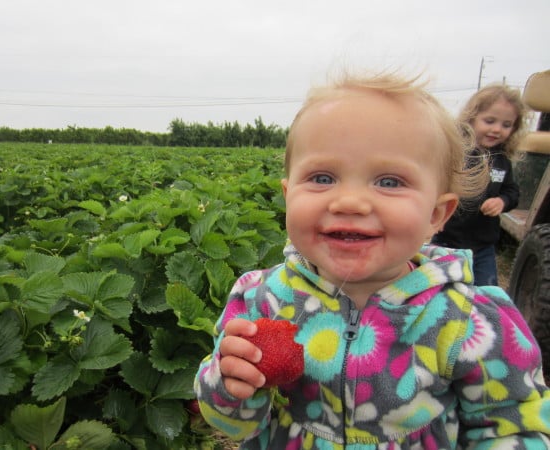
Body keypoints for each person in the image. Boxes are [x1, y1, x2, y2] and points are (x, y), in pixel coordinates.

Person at [194, 71, 550, 449]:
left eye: (390, 182)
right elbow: (236, 427)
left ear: (437, 214)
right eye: (322, 177)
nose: (350, 202)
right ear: (287, 196)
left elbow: (514, 424)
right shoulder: (260, 301)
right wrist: (230, 385)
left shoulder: (469, 320)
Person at [431, 84, 528, 286]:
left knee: (487, 293)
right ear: (472, 118)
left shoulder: (502, 159)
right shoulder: (457, 153)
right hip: (448, 241)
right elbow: (436, 187)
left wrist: (502, 201)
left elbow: (512, 191)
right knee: (443, 291)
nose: (496, 129)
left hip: (483, 247)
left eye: (506, 124)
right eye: (489, 121)